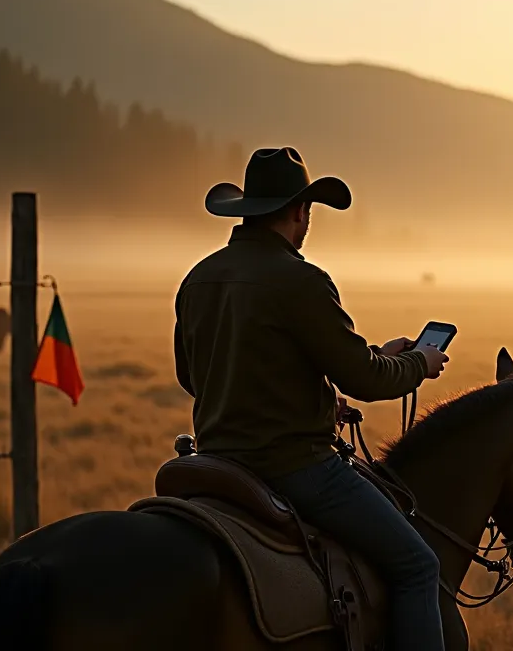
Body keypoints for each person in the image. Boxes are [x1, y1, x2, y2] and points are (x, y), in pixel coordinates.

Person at [172, 147, 450, 651]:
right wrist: (419, 364)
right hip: (292, 466)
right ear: (300, 210)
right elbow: (365, 379)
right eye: (309, 212)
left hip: (216, 460)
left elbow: (195, 376)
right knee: (418, 565)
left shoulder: (199, 278)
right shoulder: (302, 280)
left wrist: (317, 397)